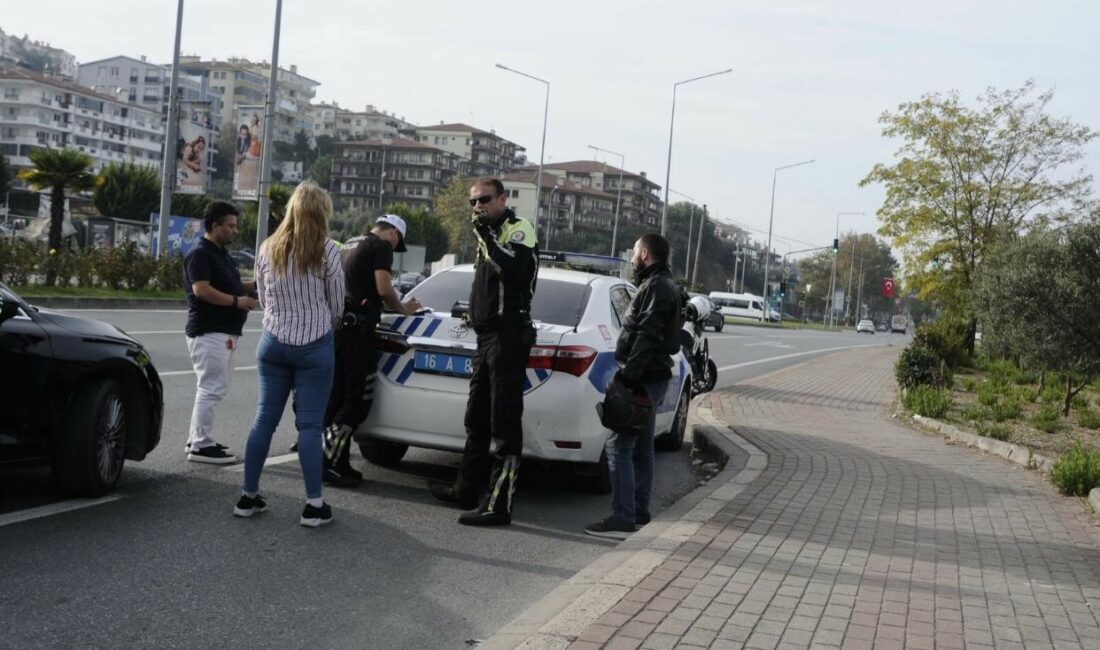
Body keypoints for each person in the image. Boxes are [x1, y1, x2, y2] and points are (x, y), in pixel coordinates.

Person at [233, 181, 345, 528]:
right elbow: (337, 303)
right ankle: (313, 506)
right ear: (321, 212)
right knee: (310, 426)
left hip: (273, 342)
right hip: (315, 344)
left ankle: (248, 497)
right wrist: (323, 321)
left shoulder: (268, 248)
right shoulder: (328, 250)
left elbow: (264, 298)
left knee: (264, 419)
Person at [429, 178, 538, 527]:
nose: (477, 208)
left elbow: (512, 271)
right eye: (472, 203)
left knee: (504, 423)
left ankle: (499, 504)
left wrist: (485, 235)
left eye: (484, 200)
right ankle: (465, 488)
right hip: (486, 336)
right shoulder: (485, 236)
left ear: (503, 199)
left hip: (508, 337)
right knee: (476, 418)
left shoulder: (518, 230)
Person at [585, 233, 682, 539]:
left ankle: (623, 516)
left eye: (635, 253)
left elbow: (648, 335)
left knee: (619, 444)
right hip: (650, 376)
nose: (631, 258)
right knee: (642, 447)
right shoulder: (660, 284)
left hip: (643, 378)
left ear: (646, 254)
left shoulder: (656, 287)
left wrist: (629, 378)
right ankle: (638, 512)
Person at [321, 215, 422, 486]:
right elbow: (384, 288)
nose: (395, 245)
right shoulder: (381, 246)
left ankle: (333, 461)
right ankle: (330, 463)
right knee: (357, 399)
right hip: (359, 332)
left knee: (337, 396)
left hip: (338, 328)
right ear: (394, 233)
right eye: (398, 240)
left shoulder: (349, 244)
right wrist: (403, 309)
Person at [182, 201, 257, 464]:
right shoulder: (201, 253)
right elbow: (201, 289)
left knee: (212, 387)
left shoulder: (220, 253)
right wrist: (237, 302)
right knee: (212, 387)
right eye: (230, 226)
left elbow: (234, 283)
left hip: (222, 331)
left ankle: (197, 438)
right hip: (209, 331)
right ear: (214, 226)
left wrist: (255, 286)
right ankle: (201, 445)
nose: (235, 231)